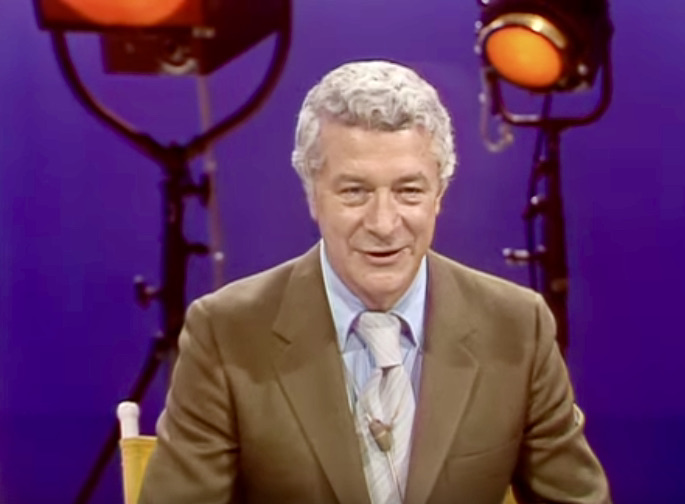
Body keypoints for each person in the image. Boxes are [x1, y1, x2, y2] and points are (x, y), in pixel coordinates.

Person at [139, 60, 610, 504]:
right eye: (355, 191)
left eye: (409, 191)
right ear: (312, 195)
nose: (384, 223)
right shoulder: (227, 333)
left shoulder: (517, 327)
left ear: (439, 194)